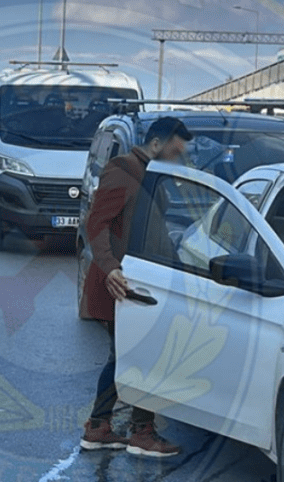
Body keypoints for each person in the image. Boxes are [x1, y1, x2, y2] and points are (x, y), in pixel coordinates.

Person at [79, 117, 193, 458]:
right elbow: (96, 223)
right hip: (122, 284)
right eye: (175, 152)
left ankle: (102, 426)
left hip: (142, 280)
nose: (178, 159)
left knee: (131, 356)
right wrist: (111, 267)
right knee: (136, 356)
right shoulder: (123, 171)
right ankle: (136, 431)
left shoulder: (151, 175)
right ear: (155, 144)